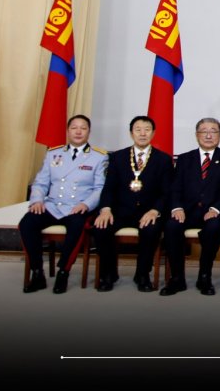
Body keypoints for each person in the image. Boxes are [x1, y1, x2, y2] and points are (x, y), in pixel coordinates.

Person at [19, 114, 108, 294]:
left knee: (77, 227)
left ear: (89, 132)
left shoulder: (99, 157)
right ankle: (37, 272)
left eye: (83, 128)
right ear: (68, 131)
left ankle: (63, 272)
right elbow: (41, 183)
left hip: (78, 207)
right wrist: (37, 200)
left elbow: (100, 188)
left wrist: (86, 204)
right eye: (74, 128)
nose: (78, 132)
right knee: (27, 223)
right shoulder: (53, 153)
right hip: (53, 205)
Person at [92, 116, 173, 292]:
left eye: (147, 130)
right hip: (120, 211)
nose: (142, 133)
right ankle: (108, 274)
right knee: (101, 228)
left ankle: (142, 274)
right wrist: (105, 209)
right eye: (138, 130)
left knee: (151, 229)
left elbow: (166, 192)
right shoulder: (117, 157)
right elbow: (109, 188)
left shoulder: (163, 160)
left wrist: (155, 210)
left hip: (148, 211)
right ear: (131, 133)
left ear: (153, 133)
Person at [160, 117, 220, 297]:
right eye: (204, 131)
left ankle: (204, 277)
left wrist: (215, 209)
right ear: (197, 135)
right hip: (187, 211)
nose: (209, 135)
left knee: (214, 227)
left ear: (219, 135)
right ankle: (177, 278)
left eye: (213, 131)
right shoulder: (184, 159)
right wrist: (177, 208)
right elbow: (175, 187)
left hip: (214, 212)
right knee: (171, 226)